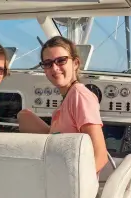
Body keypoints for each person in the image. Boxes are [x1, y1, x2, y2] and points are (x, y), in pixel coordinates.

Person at [18, 36, 108, 173]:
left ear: (75, 63)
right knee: (23, 115)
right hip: (58, 171)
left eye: (61, 61)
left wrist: (75, 187)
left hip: (71, 184)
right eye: (48, 63)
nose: (54, 68)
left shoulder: (79, 95)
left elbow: (100, 157)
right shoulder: (69, 96)